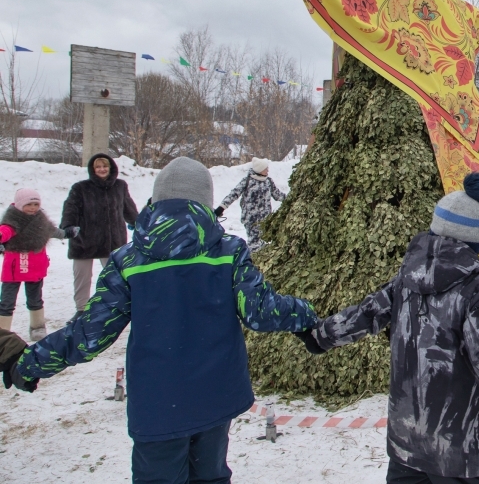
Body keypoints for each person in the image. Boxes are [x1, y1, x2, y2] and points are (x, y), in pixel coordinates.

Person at [10, 157, 319, 483]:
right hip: (216, 396)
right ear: (205, 202)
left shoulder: (128, 260)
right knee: (210, 477)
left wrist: (32, 362)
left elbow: (90, 332)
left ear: (155, 201)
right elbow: (261, 310)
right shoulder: (228, 251)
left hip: (158, 403)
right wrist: (306, 315)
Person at [300, 173, 479, 484]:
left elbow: (365, 314)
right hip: (458, 446)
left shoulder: (407, 277)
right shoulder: (474, 288)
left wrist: (320, 335)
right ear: (475, 242)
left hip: (405, 442)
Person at [60, 153, 138, 322]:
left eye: (105, 166)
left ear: (111, 168)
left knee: (115, 276)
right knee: (82, 276)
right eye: (98, 167)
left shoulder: (120, 186)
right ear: (93, 170)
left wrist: (139, 224)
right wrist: (68, 226)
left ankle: (116, 305)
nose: (102, 170)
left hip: (112, 239)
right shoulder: (80, 188)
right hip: (84, 239)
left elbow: (128, 208)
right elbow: (70, 209)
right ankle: (81, 309)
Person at [0, 189, 77, 341]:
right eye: (29, 204)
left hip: (35, 268)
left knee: (35, 299)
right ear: (19, 205)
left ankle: (37, 327)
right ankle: (3, 331)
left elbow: (53, 231)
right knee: (7, 302)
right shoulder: (13, 220)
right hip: (14, 269)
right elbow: (5, 231)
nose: (33, 208)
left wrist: (67, 233)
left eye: (36, 204)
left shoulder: (41, 221)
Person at [215, 157, 286, 253]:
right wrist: (221, 207)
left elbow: (278, 195)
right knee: (254, 244)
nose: (267, 170)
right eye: (265, 168)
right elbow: (234, 194)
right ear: (260, 170)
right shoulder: (247, 181)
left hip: (265, 219)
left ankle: (260, 262)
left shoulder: (268, 181)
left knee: (262, 243)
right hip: (251, 219)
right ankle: (252, 263)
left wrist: (292, 199)